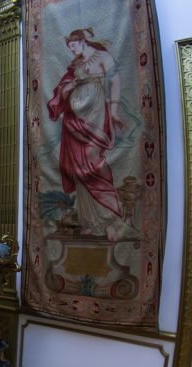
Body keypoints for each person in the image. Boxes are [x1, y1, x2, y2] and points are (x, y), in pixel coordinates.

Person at [47, 28, 128, 242]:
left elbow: (115, 81)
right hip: (74, 118)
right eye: (69, 47)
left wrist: (114, 111)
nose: (72, 50)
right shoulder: (75, 64)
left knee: (93, 161)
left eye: (73, 45)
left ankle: (110, 217)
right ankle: (90, 221)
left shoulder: (103, 56)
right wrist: (67, 88)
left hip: (95, 114)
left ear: (82, 40)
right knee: (78, 167)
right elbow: (62, 87)